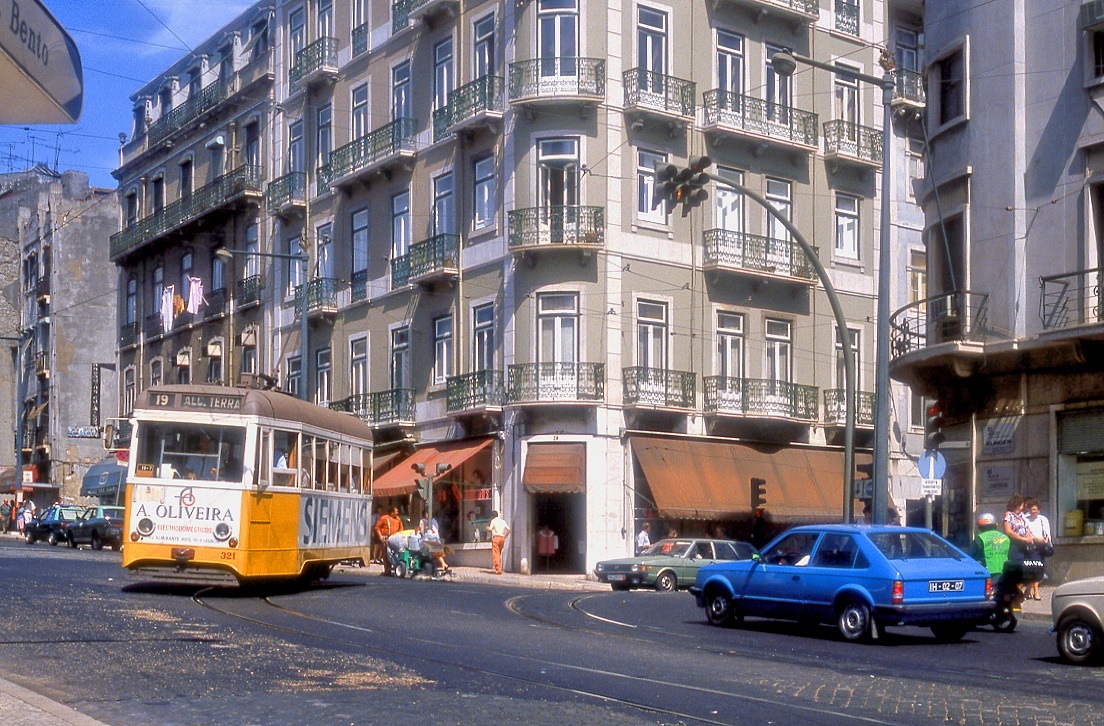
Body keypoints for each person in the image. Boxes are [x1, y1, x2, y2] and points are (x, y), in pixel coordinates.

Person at [1024, 498, 1052, 600]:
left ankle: (1028, 590)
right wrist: (1035, 538)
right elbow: (1025, 533)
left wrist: (1046, 540)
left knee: (1037, 569)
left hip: (1041, 547)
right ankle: (1036, 592)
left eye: (1034, 509)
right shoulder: (1025, 519)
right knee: (1035, 569)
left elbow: (1047, 534)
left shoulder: (1043, 519)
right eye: (1031, 509)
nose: (1032, 511)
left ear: (1038, 510)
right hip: (1030, 547)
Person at [970, 513, 1011, 577]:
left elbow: (971, 554)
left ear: (980, 527)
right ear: (996, 524)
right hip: (1005, 571)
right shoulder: (1005, 537)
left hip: (988, 572)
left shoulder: (981, 537)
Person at [373, 507, 403, 576]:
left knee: (396, 555)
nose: (397, 513)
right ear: (392, 512)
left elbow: (401, 529)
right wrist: (381, 536)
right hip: (386, 539)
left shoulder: (398, 519)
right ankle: (387, 571)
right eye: (396, 511)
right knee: (385, 555)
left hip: (395, 539)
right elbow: (377, 527)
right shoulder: (384, 518)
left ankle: (396, 569)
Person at [487, 510, 510, 574]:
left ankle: (498, 570)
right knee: (499, 554)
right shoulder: (503, 521)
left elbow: (490, 529)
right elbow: (509, 530)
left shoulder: (493, 521)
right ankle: (499, 567)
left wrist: (487, 528)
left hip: (496, 538)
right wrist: (504, 537)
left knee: (496, 554)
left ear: (492, 516)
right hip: (502, 538)